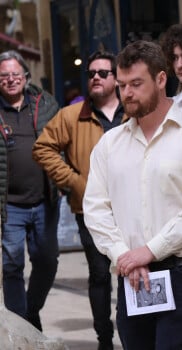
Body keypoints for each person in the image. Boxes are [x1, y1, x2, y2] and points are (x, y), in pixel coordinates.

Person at [82, 40, 182, 349]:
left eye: (136, 83)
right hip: (132, 276)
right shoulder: (110, 145)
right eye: (121, 85)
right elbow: (95, 209)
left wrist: (149, 250)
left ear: (161, 79)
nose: (127, 93)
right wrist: (125, 255)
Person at [32, 50, 126, 350]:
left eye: (102, 73)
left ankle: (135, 332)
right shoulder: (72, 115)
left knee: (132, 272)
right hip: (91, 210)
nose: (95, 78)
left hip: (134, 207)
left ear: (116, 78)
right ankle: (104, 339)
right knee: (99, 274)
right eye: (91, 73)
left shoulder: (133, 110)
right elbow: (43, 148)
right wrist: (75, 183)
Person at [0, 50, 60, 331]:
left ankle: (30, 311)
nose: (10, 80)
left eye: (15, 75)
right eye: (4, 76)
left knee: (47, 261)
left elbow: (64, 142)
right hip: (9, 205)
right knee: (12, 265)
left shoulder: (46, 104)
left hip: (44, 201)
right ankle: (19, 325)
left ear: (25, 77)